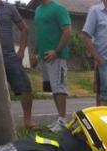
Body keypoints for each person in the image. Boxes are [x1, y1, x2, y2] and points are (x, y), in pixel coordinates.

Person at [0, 0, 35, 130]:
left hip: (10, 56)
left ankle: (28, 122)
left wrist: (22, 50)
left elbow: (24, 28)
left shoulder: (9, 8)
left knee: (25, 87)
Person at [33, 0, 71, 132]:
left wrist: (57, 51)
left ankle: (63, 120)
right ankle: (59, 119)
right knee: (53, 88)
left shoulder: (58, 9)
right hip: (44, 57)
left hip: (57, 56)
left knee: (60, 88)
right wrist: (35, 52)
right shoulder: (38, 10)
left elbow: (67, 31)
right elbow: (40, 32)